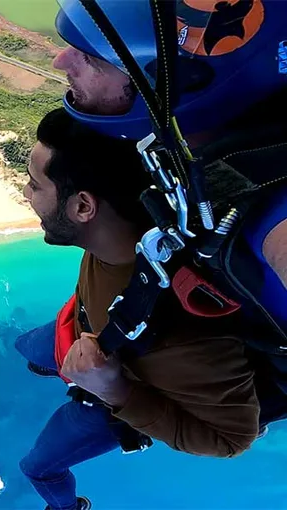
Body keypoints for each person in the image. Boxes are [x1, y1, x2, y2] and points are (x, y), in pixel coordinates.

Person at [16, 108, 261, 510]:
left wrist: (116, 390)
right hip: (82, 330)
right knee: (25, 347)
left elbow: (231, 440)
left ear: (83, 208)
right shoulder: (127, 232)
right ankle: (50, 366)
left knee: (38, 468)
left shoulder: (185, 336)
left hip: (109, 398)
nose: (26, 193)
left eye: (34, 184)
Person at [49, 0, 287, 334]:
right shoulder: (215, 157)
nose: (60, 60)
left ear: (180, 83)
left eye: (90, 58)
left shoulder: (276, 216)